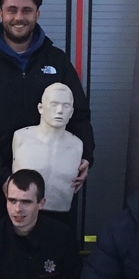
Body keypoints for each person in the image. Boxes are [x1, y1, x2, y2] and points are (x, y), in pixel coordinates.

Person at [0, 0, 93, 234]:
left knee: (48, 258)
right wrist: (1, 177)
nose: (18, 17)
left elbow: (80, 114)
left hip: (48, 189)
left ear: (37, 14)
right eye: (11, 10)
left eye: (26, 10)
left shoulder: (56, 60)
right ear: (1, 14)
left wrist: (87, 155)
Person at [11, 84, 83, 212]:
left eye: (65, 105)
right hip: (23, 213)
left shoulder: (77, 145)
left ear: (71, 112)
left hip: (61, 213)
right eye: (54, 104)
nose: (60, 110)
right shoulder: (21, 137)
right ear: (41, 108)